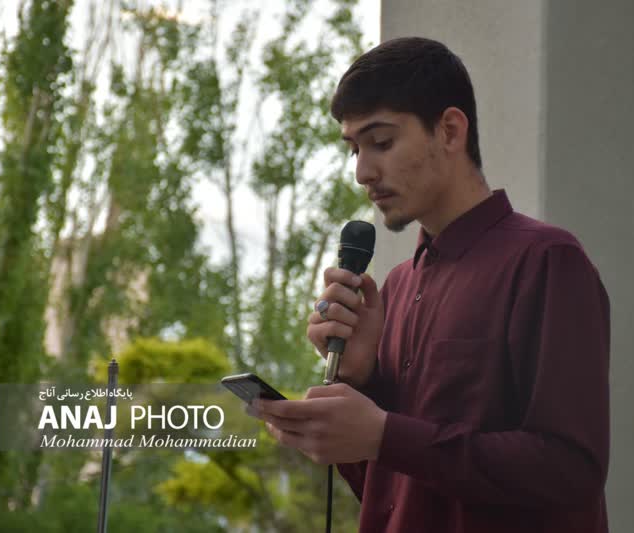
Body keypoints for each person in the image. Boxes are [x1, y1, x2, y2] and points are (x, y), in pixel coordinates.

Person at [250, 36, 610, 532]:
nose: (362, 172)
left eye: (381, 142)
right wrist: (360, 380)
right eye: (354, 149)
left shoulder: (547, 261)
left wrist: (385, 434)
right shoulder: (396, 287)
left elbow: (570, 471)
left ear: (449, 130)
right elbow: (393, 491)